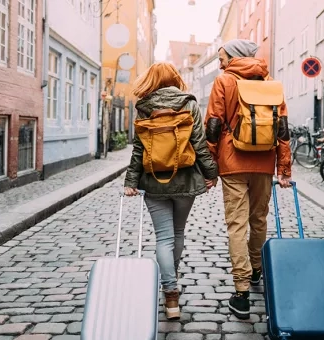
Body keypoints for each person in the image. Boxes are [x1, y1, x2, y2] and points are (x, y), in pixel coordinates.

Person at [205, 39, 292, 319]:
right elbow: (283, 130)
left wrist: (210, 168)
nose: (220, 62)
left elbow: (213, 125)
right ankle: (256, 270)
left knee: (236, 225)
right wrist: (284, 171)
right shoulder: (271, 84)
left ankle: (241, 292)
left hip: (233, 163)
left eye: (223, 56)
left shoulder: (224, 82)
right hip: (265, 161)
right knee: (259, 220)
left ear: (235, 56)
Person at [124, 62, 218, 320]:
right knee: (177, 233)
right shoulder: (189, 104)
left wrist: (131, 181)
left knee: (163, 238)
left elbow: (139, 149)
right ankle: (172, 281)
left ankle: (170, 294)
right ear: (176, 78)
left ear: (152, 79)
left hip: (154, 181)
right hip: (185, 179)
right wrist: (212, 173)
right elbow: (199, 143)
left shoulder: (144, 106)